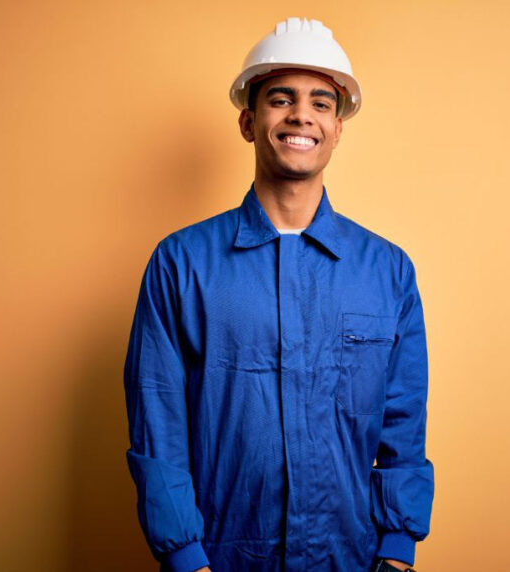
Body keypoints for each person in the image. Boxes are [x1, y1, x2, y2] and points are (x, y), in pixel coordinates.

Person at [123, 17, 434, 572]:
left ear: (338, 127)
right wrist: (186, 559)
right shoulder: (180, 264)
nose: (301, 116)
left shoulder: (388, 271)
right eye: (281, 99)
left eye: (321, 103)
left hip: (352, 559)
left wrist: (397, 552)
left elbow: (403, 424)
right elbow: (159, 424)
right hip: (219, 558)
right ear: (248, 121)